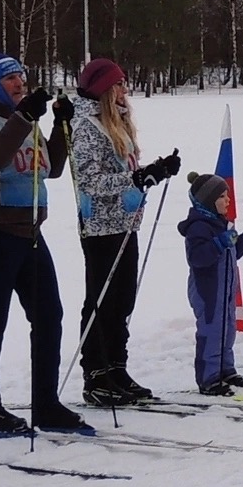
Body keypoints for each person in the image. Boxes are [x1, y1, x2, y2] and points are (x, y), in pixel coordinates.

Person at [0, 53, 86, 437]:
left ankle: (45, 402)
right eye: (10, 78)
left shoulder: (25, 120)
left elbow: (53, 167)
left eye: (22, 77)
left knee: (49, 316)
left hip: (30, 233)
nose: (20, 83)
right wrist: (24, 118)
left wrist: (63, 124)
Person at [70, 57, 181, 405]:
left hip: (126, 222)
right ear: (105, 89)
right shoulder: (87, 126)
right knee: (102, 300)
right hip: (101, 227)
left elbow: (125, 169)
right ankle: (97, 374)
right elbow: (88, 180)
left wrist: (155, 170)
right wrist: (132, 179)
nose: (125, 90)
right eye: (119, 85)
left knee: (123, 300)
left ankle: (117, 367)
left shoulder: (116, 120)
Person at [179, 172, 243, 393]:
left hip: (226, 289)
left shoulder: (222, 224)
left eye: (228, 195)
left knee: (227, 329)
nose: (228, 200)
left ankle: (225, 369)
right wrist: (218, 243)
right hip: (208, 291)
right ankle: (208, 377)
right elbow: (198, 258)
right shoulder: (199, 228)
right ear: (208, 200)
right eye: (223, 196)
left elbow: (233, 253)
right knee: (212, 330)